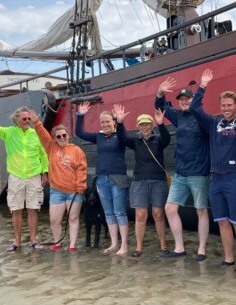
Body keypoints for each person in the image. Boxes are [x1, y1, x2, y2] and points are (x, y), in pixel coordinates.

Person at [189, 63, 236, 271]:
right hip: (215, 179)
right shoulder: (213, 123)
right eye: (223, 105)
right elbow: (194, 108)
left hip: (234, 178)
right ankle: (228, 258)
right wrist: (202, 86)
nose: (226, 109)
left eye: (230, 105)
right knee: (222, 222)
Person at [155, 78, 210, 260]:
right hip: (181, 172)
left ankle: (201, 249)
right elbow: (161, 108)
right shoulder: (179, 117)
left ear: (194, 100)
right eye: (181, 99)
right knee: (170, 208)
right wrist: (160, 93)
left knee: (201, 210)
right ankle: (179, 248)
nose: (184, 102)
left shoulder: (200, 117)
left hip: (198, 172)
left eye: (188, 99)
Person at [0, 105, 49, 251]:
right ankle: (17, 241)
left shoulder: (35, 134)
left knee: (33, 209)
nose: (27, 121)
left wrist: (45, 172)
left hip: (34, 176)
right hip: (16, 176)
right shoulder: (9, 132)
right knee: (16, 210)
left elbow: (43, 155)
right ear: (17, 120)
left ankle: (33, 240)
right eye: (24, 119)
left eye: (28, 118)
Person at [75, 102, 129, 255]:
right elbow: (80, 133)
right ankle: (113, 243)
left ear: (113, 122)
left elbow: (124, 139)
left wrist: (121, 122)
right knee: (109, 213)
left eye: (108, 121)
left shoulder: (119, 136)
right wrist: (80, 116)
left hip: (117, 179)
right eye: (103, 122)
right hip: (102, 179)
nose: (105, 124)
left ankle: (124, 245)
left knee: (120, 212)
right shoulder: (98, 137)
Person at [117, 109, 171, 257]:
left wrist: (161, 124)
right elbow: (122, 139)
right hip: (140, 181)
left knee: (158, 214)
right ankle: (139, 247)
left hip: (158, 181)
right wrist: (120, 123)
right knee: (140, 215)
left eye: (148, 124)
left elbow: (167, 139)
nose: (145, 127)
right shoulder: (135, 141)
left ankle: (163, 245)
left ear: (151, 125)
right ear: (138, 126)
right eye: (142, 125)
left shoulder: (159, 140)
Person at [32, 115, 87, 251]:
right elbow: (43, 135)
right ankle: (58, 242)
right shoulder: (51, 148)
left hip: (74, 191)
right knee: (54, 220)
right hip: (57, 191)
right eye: (58, 136)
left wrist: (80, 185)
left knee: (73, 218)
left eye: (64, 135)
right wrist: (37, 123)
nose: (62, 138)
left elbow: (81, 168)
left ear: (68, 135)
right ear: (55, 138)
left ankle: (72, 245)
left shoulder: (77, 150)